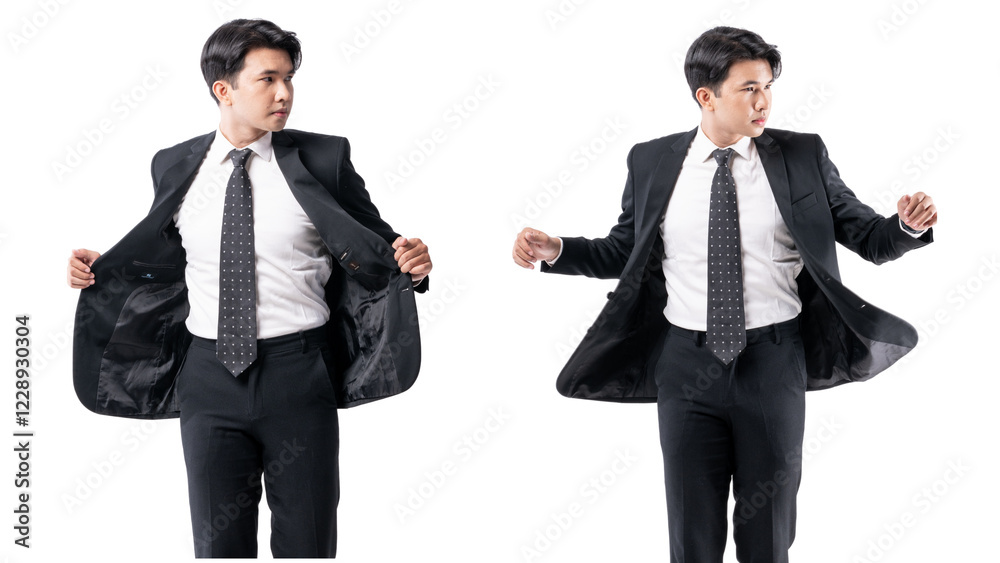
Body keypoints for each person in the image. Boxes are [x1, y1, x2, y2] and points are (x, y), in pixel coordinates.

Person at [512, 26, 936, 563]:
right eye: (749, 89)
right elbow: (626, 250)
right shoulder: (651, 160)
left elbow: (868, 236)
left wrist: (906, 227)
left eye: (767, 86)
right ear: (705, 97)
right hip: (685, 367)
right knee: (692, 536)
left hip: (773, 364)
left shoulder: (802, 155)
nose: (764, 102)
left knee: (768, 536)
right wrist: (556, 249)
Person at [66, 19, 431, 558]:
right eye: (268, 79)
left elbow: (381, 248)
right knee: (218, 547)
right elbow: (170, 254)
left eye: (289, 79)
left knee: (307, 542)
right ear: (224, 89)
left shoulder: (324, 160)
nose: (284, 94)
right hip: (208, 377)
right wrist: (109, 268)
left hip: (299, 374)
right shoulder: (173, 164)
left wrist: (414, 265)